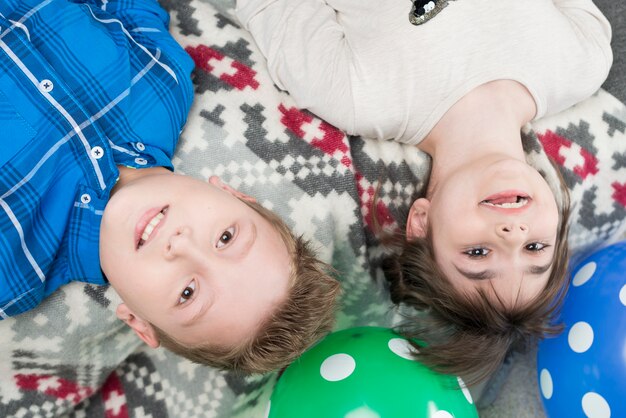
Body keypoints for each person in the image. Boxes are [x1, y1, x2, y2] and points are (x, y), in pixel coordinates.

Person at [235, 0, 612, 382]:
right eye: (535, 249)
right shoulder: (585, 59)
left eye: (478, 253)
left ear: (420, 223)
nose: (513, 235)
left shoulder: (358, 97)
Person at [0, 0, 340, 374]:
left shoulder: (12, 267)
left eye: (188, 293)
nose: (180, 245)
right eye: (225, 238)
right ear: (234, 194)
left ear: (138, 322)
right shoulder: (166, 81)